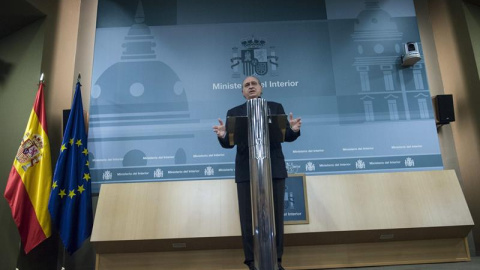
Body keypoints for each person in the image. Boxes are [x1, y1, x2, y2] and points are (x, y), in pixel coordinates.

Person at [213, 76, 301, 270]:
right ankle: (251, 262)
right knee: (246, 218)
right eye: (247, 85)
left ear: (261, 88)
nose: (251, 87)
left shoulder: (275, 108)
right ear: (242, 92)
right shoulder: (234, 113)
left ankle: (276, 261)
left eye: (254, 84)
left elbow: (285, 135)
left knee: (277, 216)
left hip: (274, 168)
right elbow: (230, 143)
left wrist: (293, 130)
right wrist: (222, 136)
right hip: (246, 170)